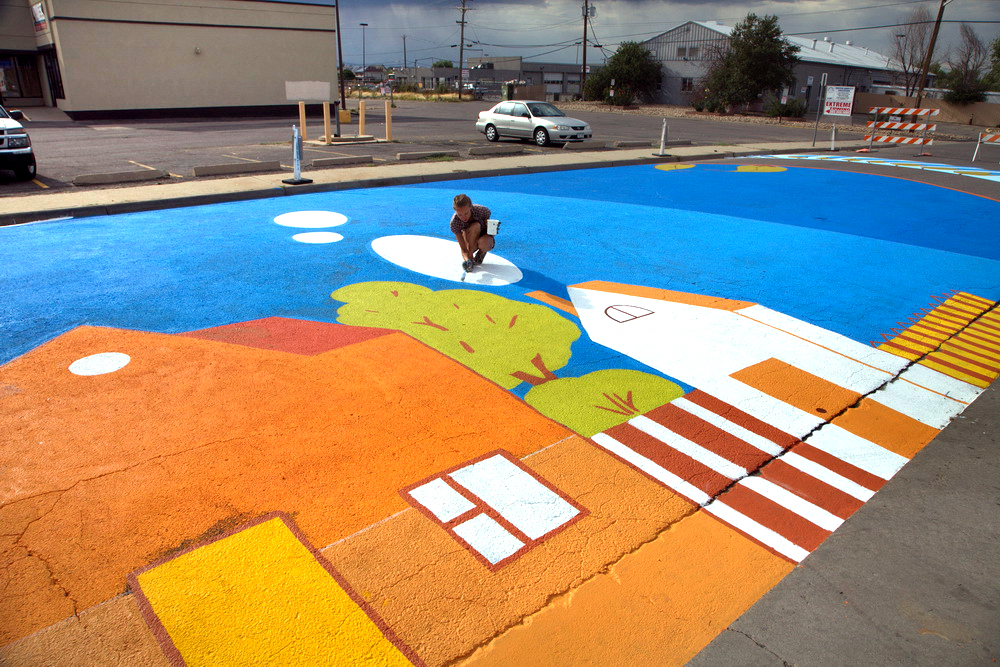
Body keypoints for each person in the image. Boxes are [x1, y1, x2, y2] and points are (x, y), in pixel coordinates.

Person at [450, 193, 496, 272]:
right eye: (460, 215)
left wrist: (492, 230)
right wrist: (467, 260)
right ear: (455, 210)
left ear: (470, 207)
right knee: (475, 227)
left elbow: (489, 230)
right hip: (468, 238)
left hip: (482, 235)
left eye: (466, 213)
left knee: (486, 242)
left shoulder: (482, 210)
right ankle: (471, 256)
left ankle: (481, 253)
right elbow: (463, 248)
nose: (463, 217)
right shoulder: (455, 222)